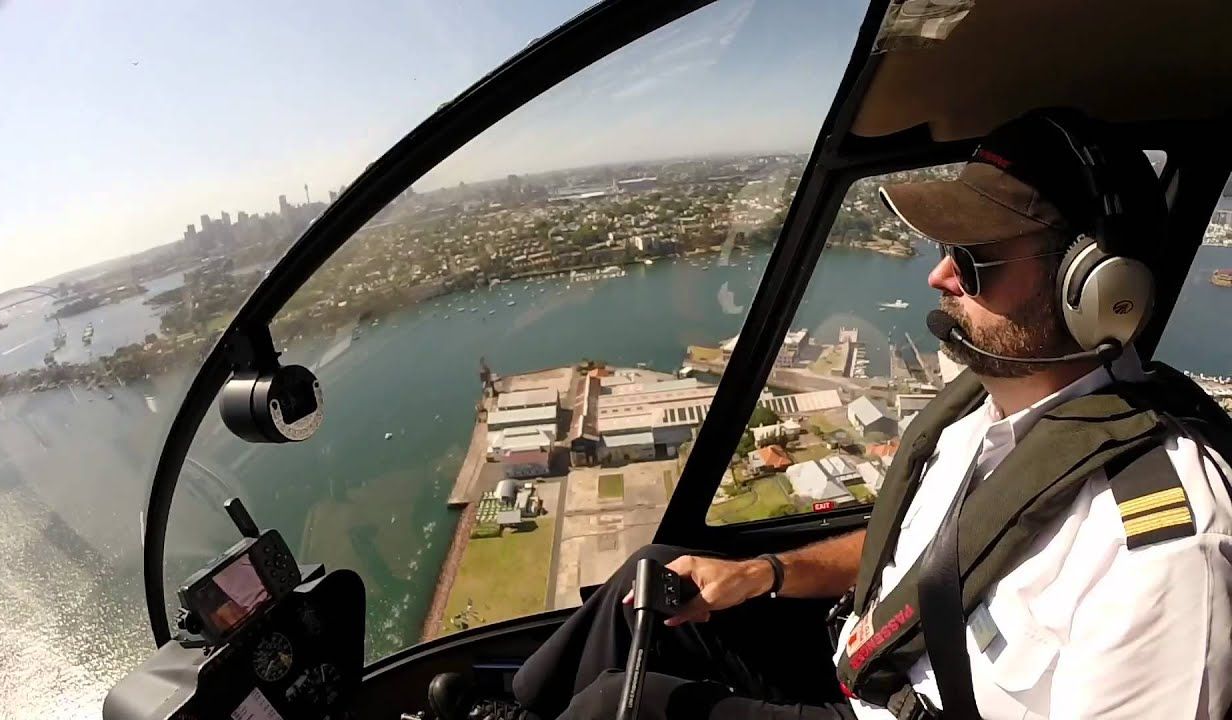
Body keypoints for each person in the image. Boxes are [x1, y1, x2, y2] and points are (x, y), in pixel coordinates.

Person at [433, 111, 1232, 720]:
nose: (939, 277)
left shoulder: (1159, 550)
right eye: (945, 250)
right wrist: (765, 574)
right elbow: (917, 554)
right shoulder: (984, 416)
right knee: (651, 579)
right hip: (859, 664)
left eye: (977, 259)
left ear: (1097, 291)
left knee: (625, 706)